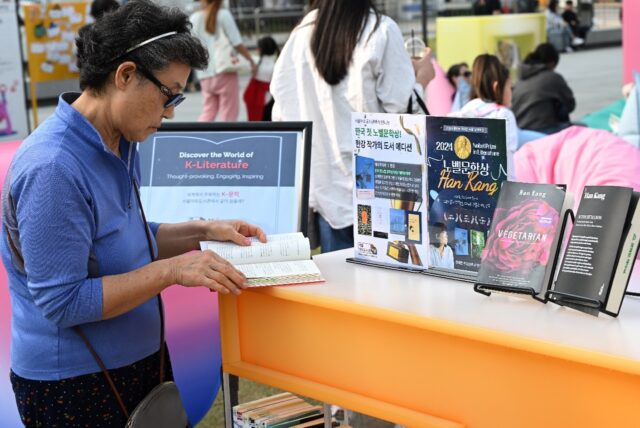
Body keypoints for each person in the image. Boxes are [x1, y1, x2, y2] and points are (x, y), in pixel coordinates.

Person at [2, 1, 266, 425]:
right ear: (125, 75)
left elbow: (123, 240)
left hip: (140, 365)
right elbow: (62, 301)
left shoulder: (123, 141)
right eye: (168, 94)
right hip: (74, 386)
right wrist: (174, 271)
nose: (172, 111)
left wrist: (203, 231)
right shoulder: (52, 167)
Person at [270, 0, 435, 253]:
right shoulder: (379, 29)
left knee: (340, 283)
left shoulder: (302, 32)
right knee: (390, 278)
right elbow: (402, 111)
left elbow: (282, 108)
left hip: (327, 188)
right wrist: (422, 79)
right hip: (383, 184)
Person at [449, 54, 517, 180]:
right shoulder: (504, 115)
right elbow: (508, 169)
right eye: (509, 87)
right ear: (496, 87)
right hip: (494, 192)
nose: (511, 92)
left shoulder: (461, 112)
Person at [190, 0, 256, 121]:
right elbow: (237, 43)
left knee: (208, 112)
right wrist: (251, 60)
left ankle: (199, 136)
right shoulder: (224, 15)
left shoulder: (194, 17)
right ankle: (227, 138)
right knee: (229, 114)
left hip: (204, 73)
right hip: (225, 70)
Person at [512, 43, 576, 135]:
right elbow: (570, 105)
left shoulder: (518, 79)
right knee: (582, 130)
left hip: (521, 131)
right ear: (551, 63)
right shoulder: (552, 77)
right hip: (544, 129)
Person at [243, 35, 279, 121]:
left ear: (260, 49)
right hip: (271, 99)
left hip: (254, 97)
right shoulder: (276, 65)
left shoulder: (255, 62)